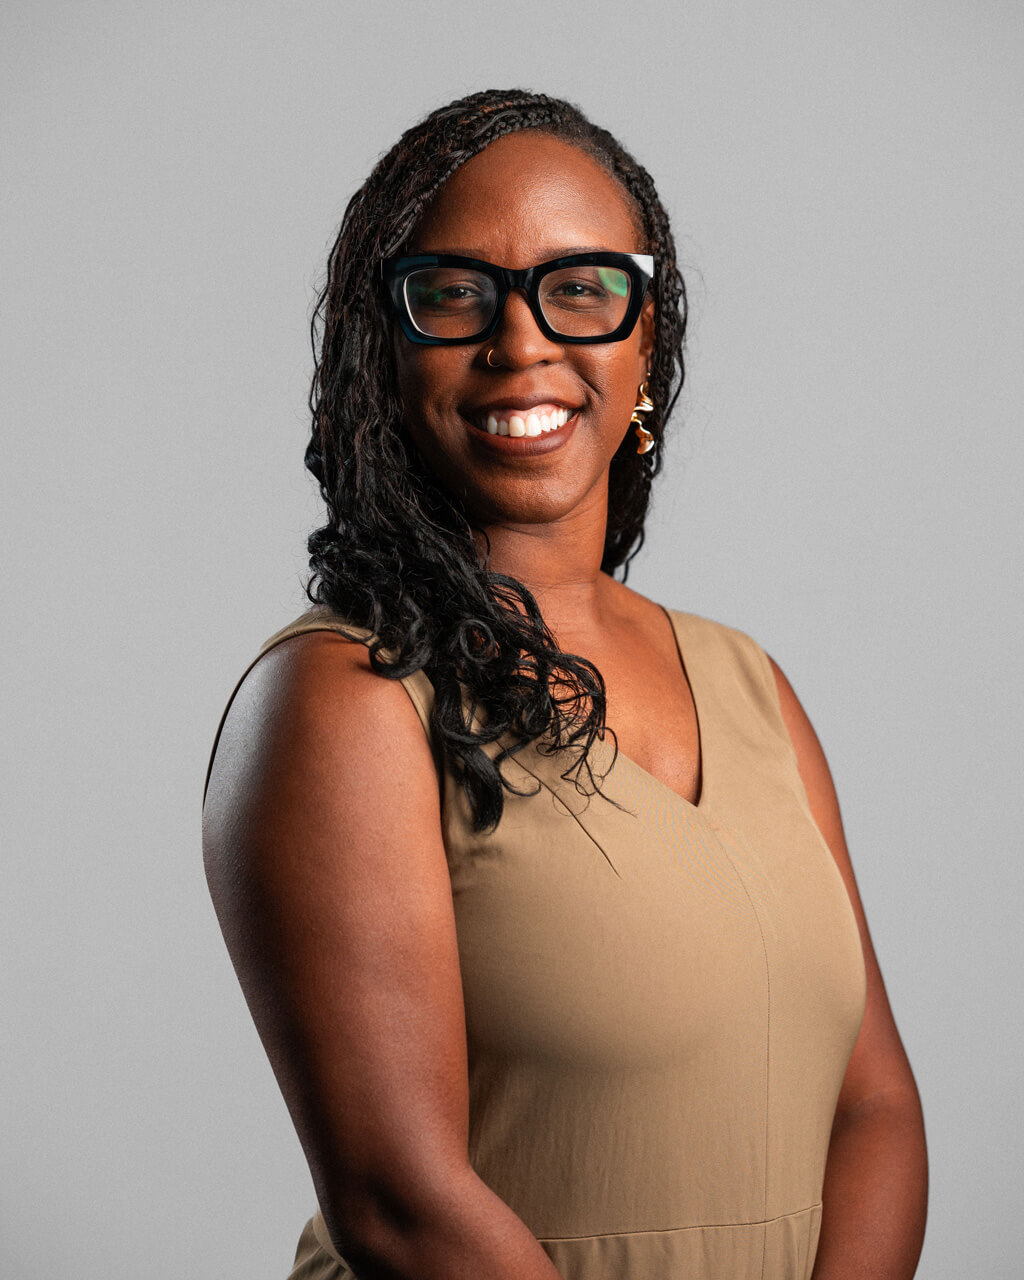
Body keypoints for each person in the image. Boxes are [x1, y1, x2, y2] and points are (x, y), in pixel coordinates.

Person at [202, 88, 928, 1280]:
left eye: (581, 286)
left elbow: (876, 1112)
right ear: (382, 353)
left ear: (646, 342)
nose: (523, 341)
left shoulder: (750, 684)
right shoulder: (343, 700)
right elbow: (403, 1203)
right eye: (453, 292)